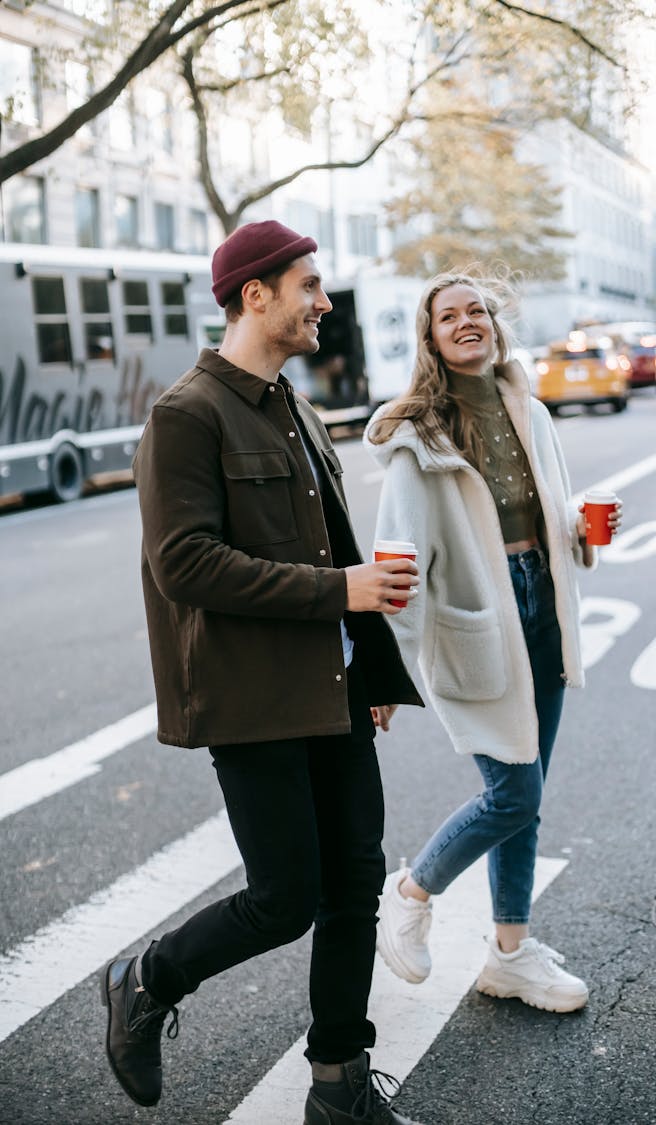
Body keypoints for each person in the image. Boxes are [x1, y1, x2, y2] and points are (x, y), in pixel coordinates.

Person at [100, 220, 426, 1125]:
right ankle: (145, 977)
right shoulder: (185, 415)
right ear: (257, 295)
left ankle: (338, 1086)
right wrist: (341, 592)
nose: (324, 301)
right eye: (310, 285)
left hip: (332, 688)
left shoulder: (296, 405)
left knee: (354, 883)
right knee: (287, 898)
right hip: (253, 700)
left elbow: (332, 547)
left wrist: (368, 669)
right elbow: (185, 564)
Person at [364, 271, 622, 1014]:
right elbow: (398, 558)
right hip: (479, 621)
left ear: (495, 325)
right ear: (432, 339)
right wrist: (387, 671)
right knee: (514, 790)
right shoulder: (420, 439)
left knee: (527, 790)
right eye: (450, 316)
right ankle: (411, 894)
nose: (467, 321)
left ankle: (509, 952)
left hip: (542, 606)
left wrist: (580, 527)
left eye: (477, 310)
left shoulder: (530, 411)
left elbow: (546, 505)